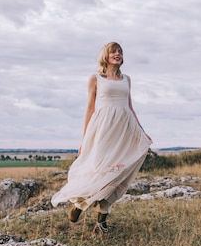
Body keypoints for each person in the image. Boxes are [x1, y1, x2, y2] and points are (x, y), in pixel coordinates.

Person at [51, 42, 152, 234]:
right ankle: (79, 204)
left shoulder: (127, 79)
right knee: (98, 169)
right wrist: (84, 139)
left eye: (120, 52)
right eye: (113, 51)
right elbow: (90, 108)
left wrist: (141, 130)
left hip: (123, 130)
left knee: (116, 172)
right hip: (103, 129)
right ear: (105, 56)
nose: (117, 54)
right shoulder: (96, 78)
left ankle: (101, 222)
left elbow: (130, 107)